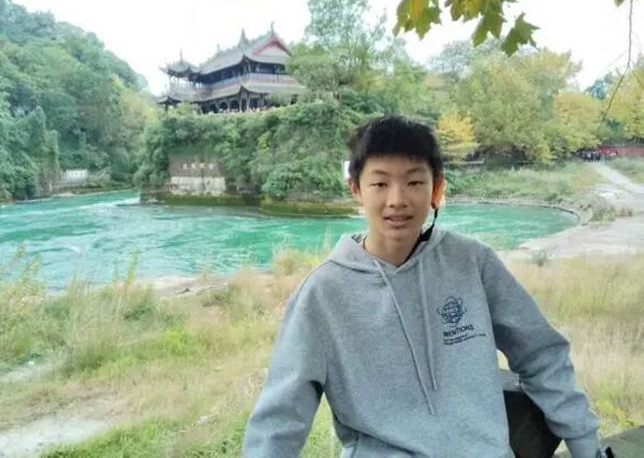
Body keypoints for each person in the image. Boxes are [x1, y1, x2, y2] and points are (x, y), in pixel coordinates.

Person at [243, 115, 603, 457]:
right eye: (380, 183)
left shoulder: (472, 263)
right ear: (356, 189)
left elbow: (542, 356)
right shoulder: (323, 294)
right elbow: (280, 418)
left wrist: (587, 445)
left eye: (414, 182)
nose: (397, 199)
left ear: (436, 188)